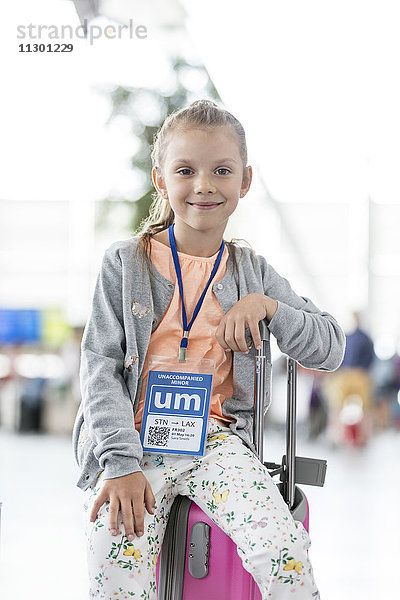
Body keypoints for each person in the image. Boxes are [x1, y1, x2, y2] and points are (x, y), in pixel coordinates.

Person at [72, 99, 345, 600]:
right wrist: (121, 465)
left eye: (222, 170)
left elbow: (329, 348)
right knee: (115, 563)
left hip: (214, 444)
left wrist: (268, 307)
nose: (203, 185)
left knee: (284, 548)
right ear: (160, 180)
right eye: (185, 170)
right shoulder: (124, 264)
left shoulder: (251, 272)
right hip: (134, 442)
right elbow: (99, 370)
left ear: (244, 182)